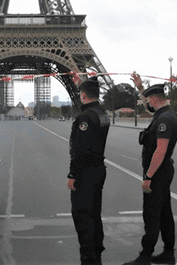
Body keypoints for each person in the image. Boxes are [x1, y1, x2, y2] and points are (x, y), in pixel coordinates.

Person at [124, 80, 177, 265]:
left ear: (155, 99)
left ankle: (145, 256)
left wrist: (148, 176)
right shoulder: (167, 114)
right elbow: (149, 110)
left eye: (148, 99)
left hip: (158, 172)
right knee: (165, 213)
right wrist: (141, 88)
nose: (146, 103)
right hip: (164, 171)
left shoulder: (164, 119)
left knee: (151, 214)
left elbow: (160, 150)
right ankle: (168, 252)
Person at [67, 75, 110, 265]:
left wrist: (72, 174)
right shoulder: (102, 114)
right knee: (94, 214)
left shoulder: (85, 117)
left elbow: (80, 151)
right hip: (99, 169)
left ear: (83, 97)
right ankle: (97, 250)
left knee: (83, 217)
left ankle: (89, 259)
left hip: (85, 173)